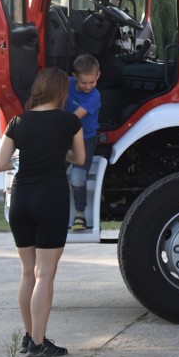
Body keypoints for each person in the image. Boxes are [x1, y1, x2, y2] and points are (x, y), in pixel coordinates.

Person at [0, 67, 85, 357]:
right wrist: (60, 152)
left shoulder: (17, 121)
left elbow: (1, 164)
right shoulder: (70, 122)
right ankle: (38, 343)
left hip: (21, 199)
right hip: (51, 198)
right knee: (45, 275)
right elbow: (80, 158)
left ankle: (29, 337)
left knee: (27, 273)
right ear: (61, 92)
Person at [65, 54, 101, 231]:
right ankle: (55, 212)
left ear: (98, 76)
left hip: (85, 139)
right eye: (83, 83)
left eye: (92, 82)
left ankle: (80, 214)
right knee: (54, 173)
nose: (88, 87)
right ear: (75, 76)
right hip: (64, 137)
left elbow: (74, 118)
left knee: (78, 177)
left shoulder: (94, 96)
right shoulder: (66, 83)